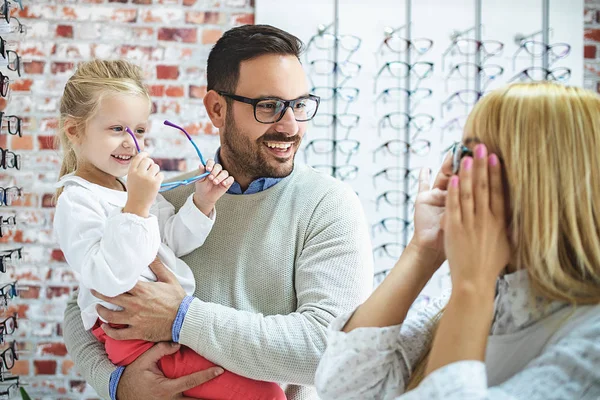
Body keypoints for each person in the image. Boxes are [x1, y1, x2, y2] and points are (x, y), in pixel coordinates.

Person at [62, 25, 374, 400]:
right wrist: (117, 385)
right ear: (216, 108)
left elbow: (330, 350)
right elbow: (82, 302)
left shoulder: (330, 206)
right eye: (269, 106)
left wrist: (182, 318)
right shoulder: (164, 197)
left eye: (299, 105)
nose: (291, 126)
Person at [315, 82, 600, 399]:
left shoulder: (591, 339)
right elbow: (343, 390)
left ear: (544, 185)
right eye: (461, 156)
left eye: (474, 160)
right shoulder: (489, 302)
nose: (458, 178)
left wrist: (472, 284)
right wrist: (423, 250)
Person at [54, 59, 288, 400]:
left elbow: (171, 244)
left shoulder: (130, 186)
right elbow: (106, 280)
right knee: (267, 395)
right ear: (74, 131)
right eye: (117, 129)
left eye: (140, 130)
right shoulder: (77, 200)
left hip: (166, 329)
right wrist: (136, 206)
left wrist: (203, 202)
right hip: (134, 338)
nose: (132, 143)